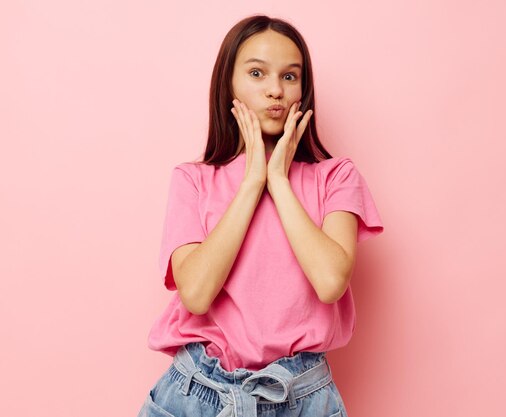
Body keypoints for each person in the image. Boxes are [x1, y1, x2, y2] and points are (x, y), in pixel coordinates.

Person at [138, 14, 384, 417]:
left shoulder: (336, 176)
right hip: (196, 396)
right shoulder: (193, 180)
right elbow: (196, 294)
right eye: (257, 73)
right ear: (228, 85)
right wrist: (252, 182)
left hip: (302, 399)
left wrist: (279, 182)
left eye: (291, 77)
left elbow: (330, 281)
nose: (276, 91)